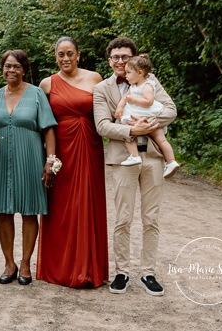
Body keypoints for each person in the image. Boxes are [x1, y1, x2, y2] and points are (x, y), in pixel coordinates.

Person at [93, 37, 177, 296]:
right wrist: (131, 129)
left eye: (125, 57)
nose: (120, 61)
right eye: (116, 57)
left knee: (151, 218)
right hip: (123, 159)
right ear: (110, 61)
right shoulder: (102, 89)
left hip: (152, 157)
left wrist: (144, 121)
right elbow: (102, 125)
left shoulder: (151, 81)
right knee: (123, 217)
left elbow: (171, 110)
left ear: (134, 60)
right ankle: (122, 272)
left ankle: (148, 272)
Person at [35, 36, 108, 288]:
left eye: (70, 53)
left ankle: (87, 269)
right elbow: (43, 124)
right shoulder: (47, 84)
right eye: (60, 54)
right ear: (55, 57)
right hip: (61, 149)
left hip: (89, 146)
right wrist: (48, 158)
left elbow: (108, 112)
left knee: (86, 202)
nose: (65, 58)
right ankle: (60, 268)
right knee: (61, 205)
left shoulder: (95, 78)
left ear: (78, 55)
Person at [0, 49, 57, 285]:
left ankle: (26, 263)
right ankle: (9, 263)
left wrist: (50, 160)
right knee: (4, 211)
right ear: (2, 68)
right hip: (1, 160)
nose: (11, 70)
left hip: (30, 158)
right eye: (8, 66)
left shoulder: (37, 94)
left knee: (29, 211)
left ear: (24, 69)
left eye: (16, 66)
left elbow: (48, 129)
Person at [115, 55, 180, 178]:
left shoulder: (147, 85)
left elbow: (148, 101)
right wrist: (119, 108)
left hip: (147, 114)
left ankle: (138, 157)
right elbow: (125, 97)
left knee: (127, 131)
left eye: (128, 72)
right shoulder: (134, 85)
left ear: (139, 73)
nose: (126, 75)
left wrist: (133, 100)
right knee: (160, 138)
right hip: (146, 114)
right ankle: (170, 161)